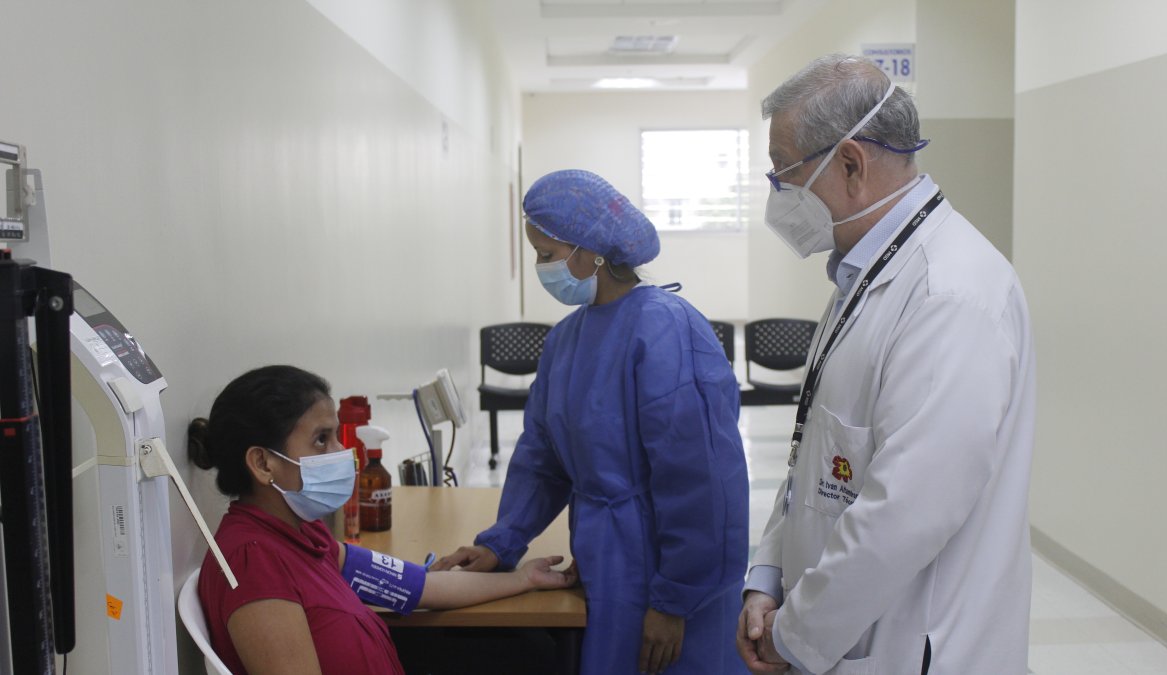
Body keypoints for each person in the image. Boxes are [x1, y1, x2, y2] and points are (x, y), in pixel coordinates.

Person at [737, 54, 1036, 675]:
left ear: (851, 163)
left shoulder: (950, 295)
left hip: (914, 649)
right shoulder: (862, 275)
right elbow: (811, 453)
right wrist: (768, 574)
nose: (779, 196)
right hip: (838, 632)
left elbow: (907, 512)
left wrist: (796, 632)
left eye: (784, 174)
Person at [431, 169, 750, 675]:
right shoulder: (565, 341)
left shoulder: (666, 327)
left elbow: (701, 480)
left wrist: (674, 602)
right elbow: (543, 458)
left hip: (674, 570)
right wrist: (500, 544)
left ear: (590, 253)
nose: (540, 267)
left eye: (545, 254)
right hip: (605, 556)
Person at [189, 364, 576, 675]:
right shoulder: (253, 563)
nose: (344, 453)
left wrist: (522, 579)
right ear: (262, 463)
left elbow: (420, 586)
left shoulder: (306, 538)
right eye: (321, 439)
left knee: (533, 649)